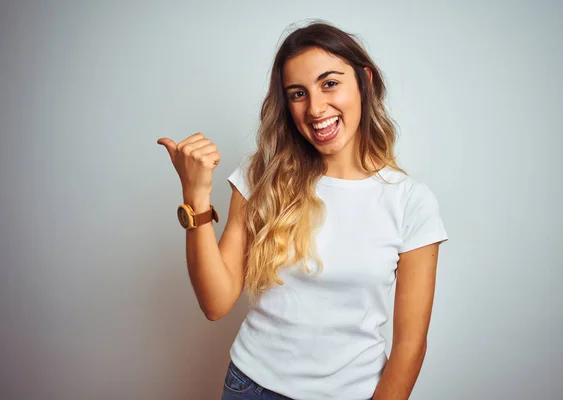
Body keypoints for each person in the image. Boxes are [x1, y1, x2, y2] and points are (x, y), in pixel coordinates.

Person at [158, 21, 448, 400]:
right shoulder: (261, 176)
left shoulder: (411, 202)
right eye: (298, 93)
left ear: (365, 81)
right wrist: (196, 195)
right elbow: (216, 302)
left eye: (330, 83)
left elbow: (410, 348)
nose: (315, 108)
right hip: (251, 388)